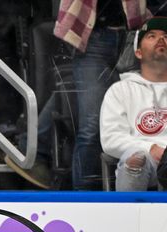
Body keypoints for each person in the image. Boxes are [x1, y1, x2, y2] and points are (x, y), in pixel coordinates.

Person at [51, 0, 150, 190]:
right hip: (94, 39)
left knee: (141, 118)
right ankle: (85, 196)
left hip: (132, 37)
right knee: (92, 125)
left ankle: (133, 186)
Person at [100, 16, 167, 191]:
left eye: (166, 36)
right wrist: (151, 148)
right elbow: (111, 139)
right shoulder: (120, 90)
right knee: (135, 158)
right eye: (151, 36)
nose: (161, 39)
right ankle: (126, 217)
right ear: (138, 52)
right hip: (145, 157)